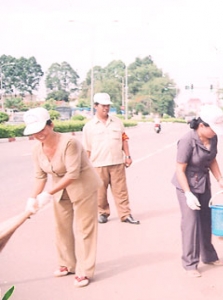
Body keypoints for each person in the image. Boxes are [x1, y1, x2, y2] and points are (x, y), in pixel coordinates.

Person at [23, 107, 101, 287]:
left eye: (42, 129)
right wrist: (32, 198)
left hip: (83, 185)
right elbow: (40, 176)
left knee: (84, 229)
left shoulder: (69, 143)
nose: (39, 134)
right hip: (60, 189)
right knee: (62, 227)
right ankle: (67, 264)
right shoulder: (37, 149)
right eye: (34, 131)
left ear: (51, 125)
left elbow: (73, 174)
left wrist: (47, 194)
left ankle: (84, 270)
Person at [171, 104, 223, 278]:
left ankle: (209, 256)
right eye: (213, 128)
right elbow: (180, 169)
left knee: (206, 219)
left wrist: (220, 179)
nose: (215, 132)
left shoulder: (213, 138)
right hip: (186, 183)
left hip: (203, 182)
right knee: (191, 223)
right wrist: (188, 193)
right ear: (202, 125)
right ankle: (190, 264)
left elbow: (211, 160)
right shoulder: (187, 140)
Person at [82, 93, 140, 225]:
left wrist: (128, 155)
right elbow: (87, 149)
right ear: (95, 106)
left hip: (117, 163)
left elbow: (124, 139)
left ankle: (125, 214)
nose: (106, 108)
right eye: (103, 105)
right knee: (100, 192)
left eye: (108, 106)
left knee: (121, 191)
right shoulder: (89, 127)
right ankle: (102, 213)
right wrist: (85, 168)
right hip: (98, 164)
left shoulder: (117, 122)